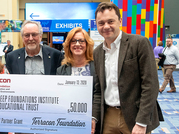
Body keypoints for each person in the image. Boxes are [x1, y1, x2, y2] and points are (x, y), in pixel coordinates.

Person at [91, 2, 163, 134]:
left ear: (120, 21)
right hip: (108, 117)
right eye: (101, 23)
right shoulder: (97, 52)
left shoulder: (139, 43)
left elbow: (150, 84)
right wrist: (94, 117)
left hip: (135, 116)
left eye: (110, 21)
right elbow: (98, 90)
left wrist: (142, 122)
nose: (106, 26)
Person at [56, 27, 99, 134]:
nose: (77, 44)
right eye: (73, 41)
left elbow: (99, 94)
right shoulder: (61, 70)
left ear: (87, 44)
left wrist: (93, 117)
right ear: (68, 45)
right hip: (68, 122)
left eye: (81, 41)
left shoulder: (97, 67)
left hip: (92, 122)